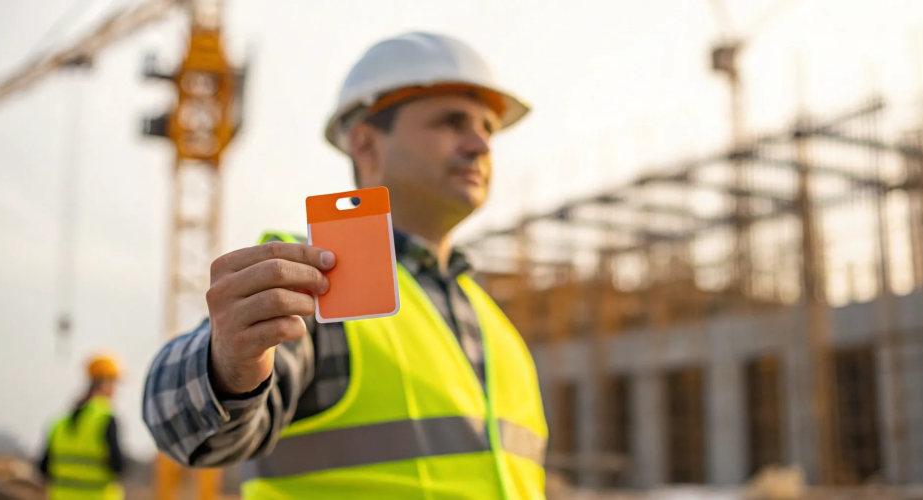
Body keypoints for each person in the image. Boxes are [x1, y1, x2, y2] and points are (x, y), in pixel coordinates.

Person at [142, 31, 548, 499]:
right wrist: (225, 365)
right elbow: (179, 423)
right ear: (365, 145)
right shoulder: (315, 277)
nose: (480, 144)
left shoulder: (497, 327)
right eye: (451, 122)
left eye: (489, 129)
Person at [39, 352, 126, 500]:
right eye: (114, 383)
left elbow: (43, 468)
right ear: (104, 383)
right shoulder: (105, 418)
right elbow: (118, 466)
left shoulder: (59, 423)